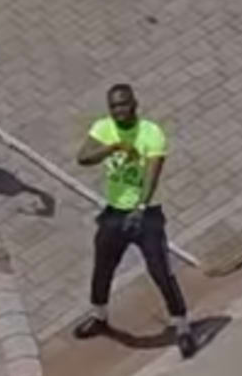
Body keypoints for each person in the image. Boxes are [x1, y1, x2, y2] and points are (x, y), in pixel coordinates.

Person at [71, 83, 201, 356]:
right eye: (114, 106)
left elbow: (153, 173)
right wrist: (112, 148)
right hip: (115, 212)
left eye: (123, 104)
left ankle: (182, 327)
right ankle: (100, 317)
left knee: (160, 271)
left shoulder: (150, 133)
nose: (119, 111)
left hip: (146, 213)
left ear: (134, 104)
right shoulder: (104, 129)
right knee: (102, 268)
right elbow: (83, 157)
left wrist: (140, 207)